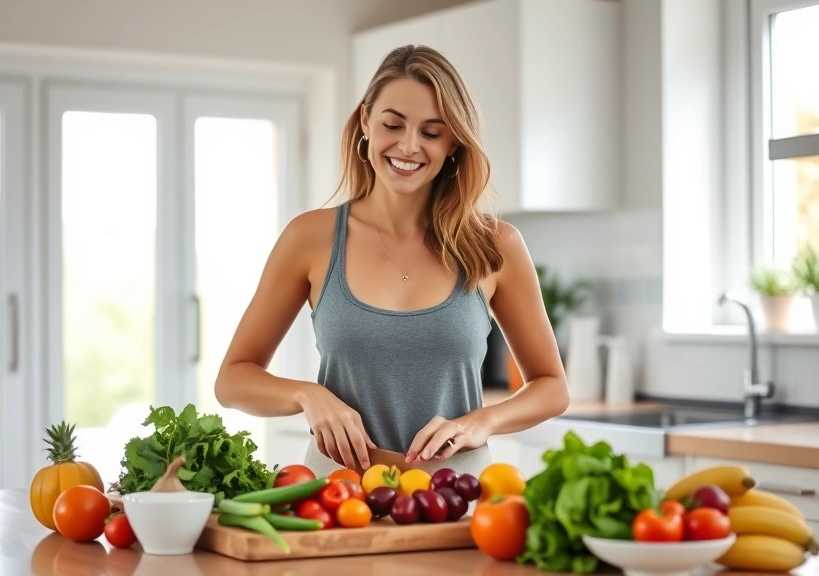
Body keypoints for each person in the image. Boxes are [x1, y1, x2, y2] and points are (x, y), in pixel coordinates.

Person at [214, 44, 569, 478]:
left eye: (431, 132)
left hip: (457, 498)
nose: (408, 146)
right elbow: (232, 379)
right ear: (365, 121)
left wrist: (482, 420)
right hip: (338, 498)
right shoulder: (310, 238)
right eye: (392, 124)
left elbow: (552, 387)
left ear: (454, 142)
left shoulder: (497, 246)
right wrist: (309, 395)